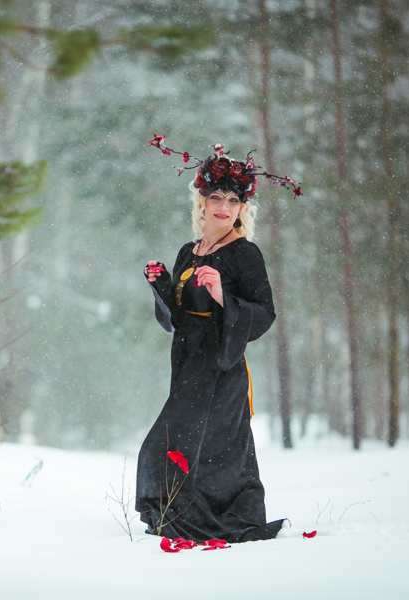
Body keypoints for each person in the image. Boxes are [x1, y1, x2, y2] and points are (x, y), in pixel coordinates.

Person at [135, 140, 299, 543]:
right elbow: (174, 320)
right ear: (202, 202)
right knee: (188, 445)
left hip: (221, 368)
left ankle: (210, 520)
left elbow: (264, 314)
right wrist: (161, 287)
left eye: (232, 200)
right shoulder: (187, 253)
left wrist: (224, 294)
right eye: (216, 197)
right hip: (189, 362)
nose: (223, 206)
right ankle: (183, 518)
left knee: (195, 445)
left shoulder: (245, 255)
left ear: (242, 208)